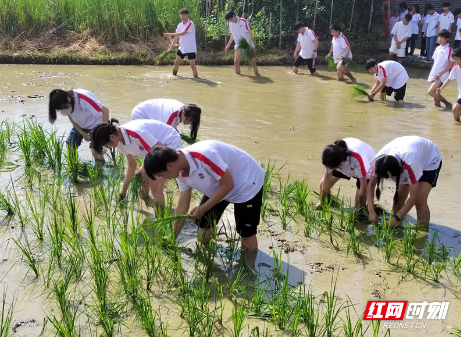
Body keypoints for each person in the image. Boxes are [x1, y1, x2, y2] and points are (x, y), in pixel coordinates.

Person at [143, 140, 265, 252]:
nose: (164, 179)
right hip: (218, 186)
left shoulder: (205, 155)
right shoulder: (179, 171)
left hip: (246, 185)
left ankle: (249, 270)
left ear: (169, 166)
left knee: (247, 237)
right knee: (203, 234)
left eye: (162, 175)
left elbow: (228, 185)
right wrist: (172, 238)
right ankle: (211, 257)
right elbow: (182, 206)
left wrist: (203, 208)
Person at [91, 119, 183, 208]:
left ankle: (160, 218)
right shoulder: (118, 141)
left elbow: (161, 152)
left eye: (106, 145)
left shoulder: (137, 133)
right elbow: (132, 164)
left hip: (168, 143)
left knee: (155, 185)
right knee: (142, 177)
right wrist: (123, 191)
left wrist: (144, 170)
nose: (107, 147)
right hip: (154, 149)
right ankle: (146, 201)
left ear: (112, 137)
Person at [367, 136, 442, 228]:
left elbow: (414, 196)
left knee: (420, 199)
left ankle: (423, 231)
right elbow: (370, 186)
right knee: (399, 197)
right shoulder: (379, 161)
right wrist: (371, 211)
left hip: (430, 159)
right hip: (412, 153)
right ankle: (395, 228)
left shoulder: (410, 164)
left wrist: (396, 218)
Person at [48, 89, 109, 163]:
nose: (65, 109)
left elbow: (105, 110)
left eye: (65, 107)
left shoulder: (84, 98)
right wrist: (82, 132)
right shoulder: (63, 104)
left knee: (95, 149)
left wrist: (104, 133)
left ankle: (100, 171)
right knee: (70, 145)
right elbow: (70, 117)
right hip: (79, 123)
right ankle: (75, 167)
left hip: (96, 123)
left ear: (69, 99)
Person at [319, 138, 376, 209]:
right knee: (322, 186)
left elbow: (363, 186)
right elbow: (327, 178)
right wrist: (322, 202)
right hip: (342, 161)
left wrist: (359, 208)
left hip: (367, 165)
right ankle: (326, 203)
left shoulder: (357, 157)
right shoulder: (330, 156)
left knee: (359, 200)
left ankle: (359, 211)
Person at [131, 99, 201, 140]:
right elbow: (165, 135)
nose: (189, 122)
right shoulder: (172, 115)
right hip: (140, 114)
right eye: (188, 119)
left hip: (150, 112)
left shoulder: (184, 110)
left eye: (192, 121)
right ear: (183, 113)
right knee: (151, 139)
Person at [163, 8, 198, 78]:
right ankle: (174, 77)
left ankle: (197, 79)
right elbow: (176, 37)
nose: (183, 17)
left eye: (184, 15)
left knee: (192, 65)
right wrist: (170, 48)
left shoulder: (191, 24)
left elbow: (182, 33)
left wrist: (169, 34)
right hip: (182, 48)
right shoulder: (179, 25)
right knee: (176, 63)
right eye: (181, 15)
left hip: (190, 48)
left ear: (187, 15)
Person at [224, 11, 259, 76]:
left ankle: (258, 75)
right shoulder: (231, 24)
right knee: (236, 62)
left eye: (230, 19)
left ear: (234, 16)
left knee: (253, 63)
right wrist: (228, 45)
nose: (230, 21)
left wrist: (249, 44)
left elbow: (250, 33)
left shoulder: (243, 21)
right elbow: (232, 35)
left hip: (247, 44)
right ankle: (238, 76)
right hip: (239, 44)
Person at [427, 29, 454, 109]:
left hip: (442, 75)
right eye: (439, 36)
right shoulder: (438, 48)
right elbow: (436, 62)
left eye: (441, 37)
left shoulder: (448, 49)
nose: (439, 38)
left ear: (447, 39)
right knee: (436, 103)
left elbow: (451, 64)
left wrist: (441, 73)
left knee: (430, 91)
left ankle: (448, 103)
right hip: (436, 74)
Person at [437, 47, 461, 121]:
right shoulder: (455, 67)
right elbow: (449, 79)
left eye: (456, 58)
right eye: (454, 58)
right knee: (458, 112)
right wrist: (441, 88)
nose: (455, 61)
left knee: (455, 109)